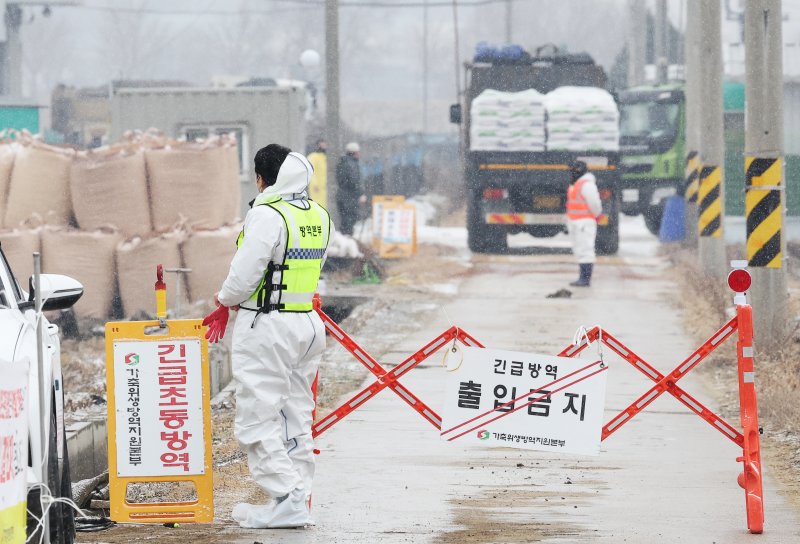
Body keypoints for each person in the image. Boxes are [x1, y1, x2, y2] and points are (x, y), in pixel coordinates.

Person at [213, 143, 332, 528]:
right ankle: (296, 496)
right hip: (308, 325)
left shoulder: (267, 214)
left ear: (263, 178)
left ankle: (287, 496)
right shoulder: (318, 215)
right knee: (295, 415)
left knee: (256, 417)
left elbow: (245, 273)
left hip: (268, 325)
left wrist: (224, 300)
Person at [565, 160, 603, 287]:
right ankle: (583, 277)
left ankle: (585, 278)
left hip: (584, 223)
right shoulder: (577, 184)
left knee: (585, 250)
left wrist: (596, 215)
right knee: (580, 250)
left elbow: (595, 204)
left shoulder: (587, 185)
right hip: (577, 222)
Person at [335, 141, 365, 235]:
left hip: (341, 197)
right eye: (358, 152)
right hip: (349, 199)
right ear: (354, 153)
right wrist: (361, 194)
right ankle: (348, 242)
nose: (360, 154)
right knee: (349, 222)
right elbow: (354, 182)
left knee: (344, 222)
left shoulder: (341, 163)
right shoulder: (352, 165)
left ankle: (344, 242)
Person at [307, 138, 328, 207]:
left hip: (323, 188)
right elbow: (312, 171)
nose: (324, 147)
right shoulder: (313, 157)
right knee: (316, 205)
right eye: (322, 145)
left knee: (322, 207)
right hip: (316, 188)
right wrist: (314, 184)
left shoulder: (324, 157)